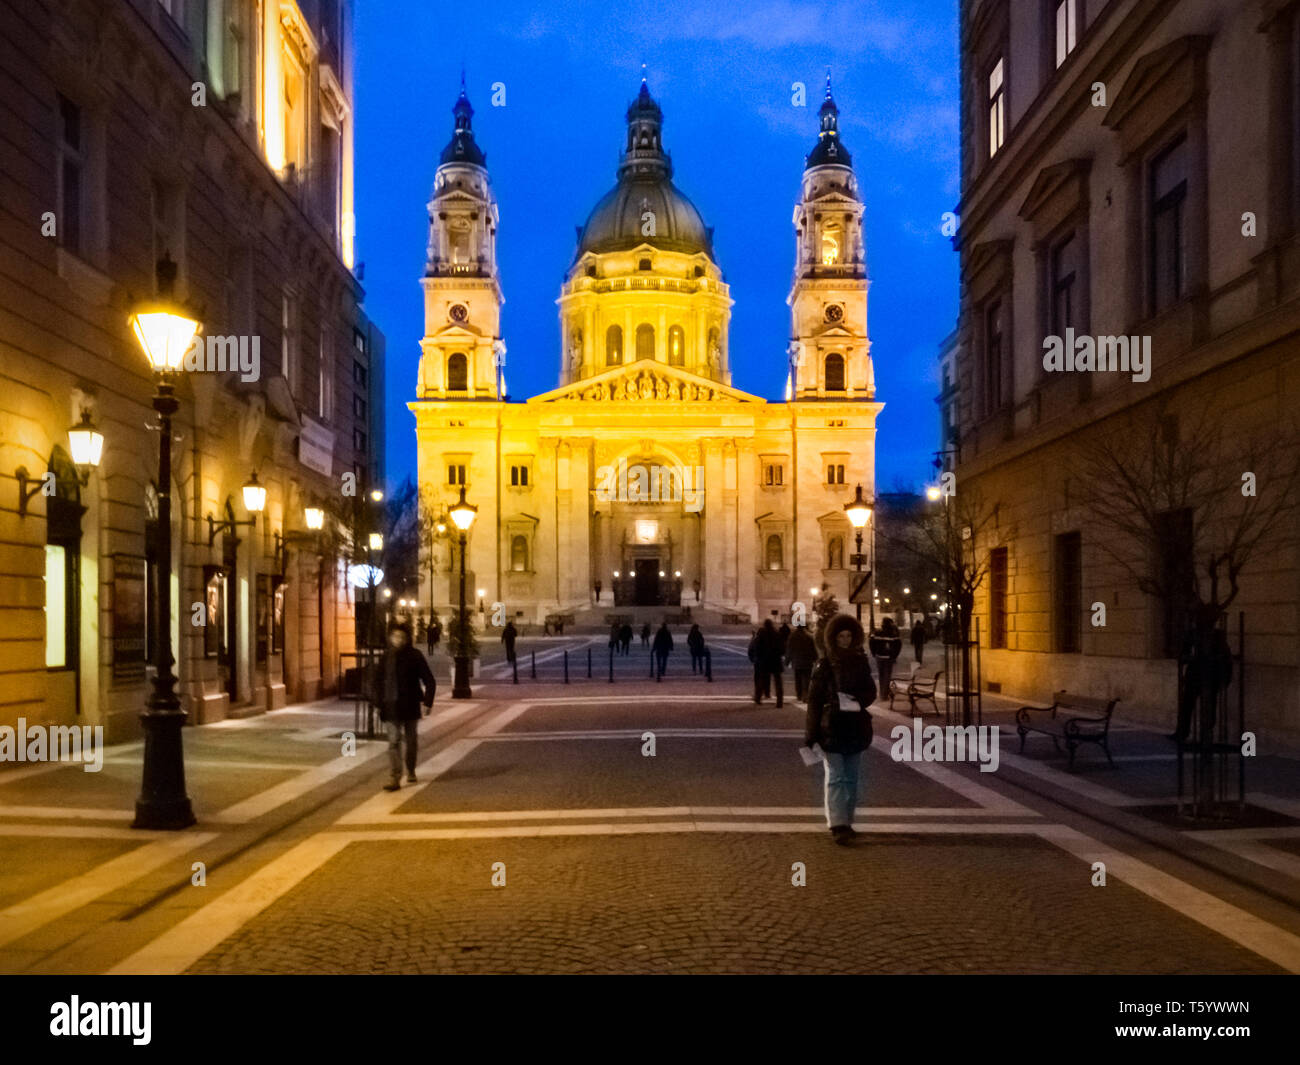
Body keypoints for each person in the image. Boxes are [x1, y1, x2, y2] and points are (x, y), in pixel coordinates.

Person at [805, 614, 877, 844]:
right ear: (833, 638)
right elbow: (814, 700)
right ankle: (837, 823)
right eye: (841, 636)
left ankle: (847, 819)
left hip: (855, 726)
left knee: (852, 778)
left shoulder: (861, 661)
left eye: (848, 636)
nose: (845, 640)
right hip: (831, 726)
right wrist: (811, 733)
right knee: (836, 776)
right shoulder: (824, 664)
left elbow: (870, 692)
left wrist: (857, 700)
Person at [370, 621, 437, 791]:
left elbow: (429, 680)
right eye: (395, 636)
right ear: (390, 637)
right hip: (390, 706)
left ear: (407, 638)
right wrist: (377, 702)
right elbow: (376, 681)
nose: (398, 639)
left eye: (401, 637)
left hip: (410, 705)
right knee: (393, 742)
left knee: (411, 741)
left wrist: (427, 702)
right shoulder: (386, 657)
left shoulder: (415, 656)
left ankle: (411, 769)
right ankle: (395, 777)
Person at [751, 618, 785, 707]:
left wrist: (758, 658)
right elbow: (782, 648)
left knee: (761, 680)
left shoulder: (761, 635)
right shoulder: (777, 634)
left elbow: (757, 648)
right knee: (778, 682)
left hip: (764, 661)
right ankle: (780, 701)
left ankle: (758, 698)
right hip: (776, 660)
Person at [869, 618, 903, 704]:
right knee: (887, 676)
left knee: (881, 675)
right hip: (889, 657)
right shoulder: (893, 634)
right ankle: (884, 694)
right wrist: (894, 655)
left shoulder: (877, 632)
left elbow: (871, 642)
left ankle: (882, 693)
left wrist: (874, 652)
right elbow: (899, 645)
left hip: (879, 656)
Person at [785, 620, 817, 702]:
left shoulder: (792, 636)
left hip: (797, 661)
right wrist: (815, 659)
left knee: (798, 679)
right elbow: (813, 650)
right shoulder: (809, 636)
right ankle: (805, 695)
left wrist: (787, 660)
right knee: (806, 679)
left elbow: (789, 649)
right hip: (807, 661)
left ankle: (799, 695)